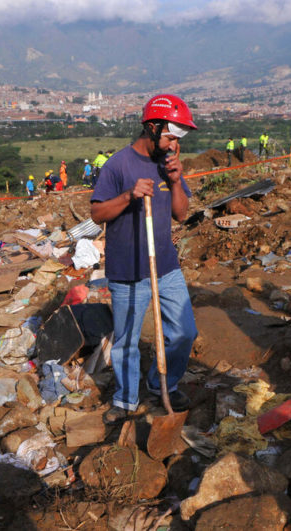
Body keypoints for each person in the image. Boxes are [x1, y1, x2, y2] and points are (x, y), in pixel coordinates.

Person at [90, 94, 199, 425]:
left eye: (177, 139)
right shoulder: (117, 166)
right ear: (152, 128)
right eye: (169, 136)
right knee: (127, 340)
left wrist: (177, 180)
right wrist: (128, 195)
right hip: (126, 270)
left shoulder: (168, 165)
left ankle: (161, 383)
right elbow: (96, 214)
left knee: (184, 332)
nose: (173, 144)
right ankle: (125, 400)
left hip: (165, 265)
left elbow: (182, 214)